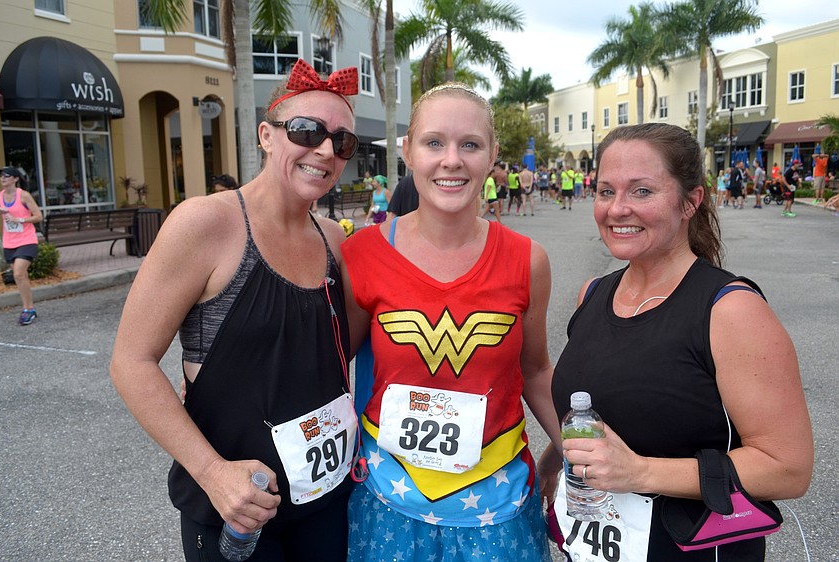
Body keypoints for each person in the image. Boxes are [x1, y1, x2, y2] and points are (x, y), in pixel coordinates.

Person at [110, 59, 360, 561]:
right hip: (237, 511)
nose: (325, 150)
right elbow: (130, 363)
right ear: (267, 136)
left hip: (326, 499)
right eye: (307, 131)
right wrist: (212, 472)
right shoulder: (206, 224)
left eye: (343, 141)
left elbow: (344, 348)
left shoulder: (335, 240)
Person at [539, 123, 813, 562]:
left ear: (691, 201)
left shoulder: (731, 310)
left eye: (642, 191)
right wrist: (552, 462)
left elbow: (788, 469)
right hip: (598, 544)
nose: (617, 209)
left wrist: (642, 472)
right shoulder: (592, 293)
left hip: (693, 547)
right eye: (606, 190)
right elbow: (605, 405)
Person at [341, 83, 561, 561]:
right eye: (434, 142)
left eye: (470, 144)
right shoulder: (361, 254)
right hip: (389, 502)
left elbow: (537, 370)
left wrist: (580, 451)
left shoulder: (528, 261)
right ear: (408, 151)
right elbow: (335, 367)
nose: (452, 160)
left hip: (498, 506)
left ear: (491, 155)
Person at [0, 167, 42, 325]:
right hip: (9, 242)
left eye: (6, 176)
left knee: (19, 273)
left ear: (15, 179)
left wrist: (19, 220)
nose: (3, 179)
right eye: (1, 176)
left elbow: (39, 216)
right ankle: (28, 308)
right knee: (21, 277)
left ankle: (28, 310)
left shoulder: (23, 195)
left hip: (27, 240)